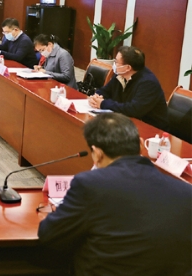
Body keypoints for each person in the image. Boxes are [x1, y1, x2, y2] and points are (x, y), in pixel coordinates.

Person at [38, 113, 192, 275]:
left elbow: (49, 235)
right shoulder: (186, 193)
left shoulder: (90, 185)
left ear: (97, 154)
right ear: (141, 145)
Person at [89, 46, 168, 129]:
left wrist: (103, 103)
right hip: (126, 122)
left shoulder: (148, 83)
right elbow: (105, 90)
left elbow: (133, 110)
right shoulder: (120, 74)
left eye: (116, 62)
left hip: (150, 129)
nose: (114, 64)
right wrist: (96, 97)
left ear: (127, 68)